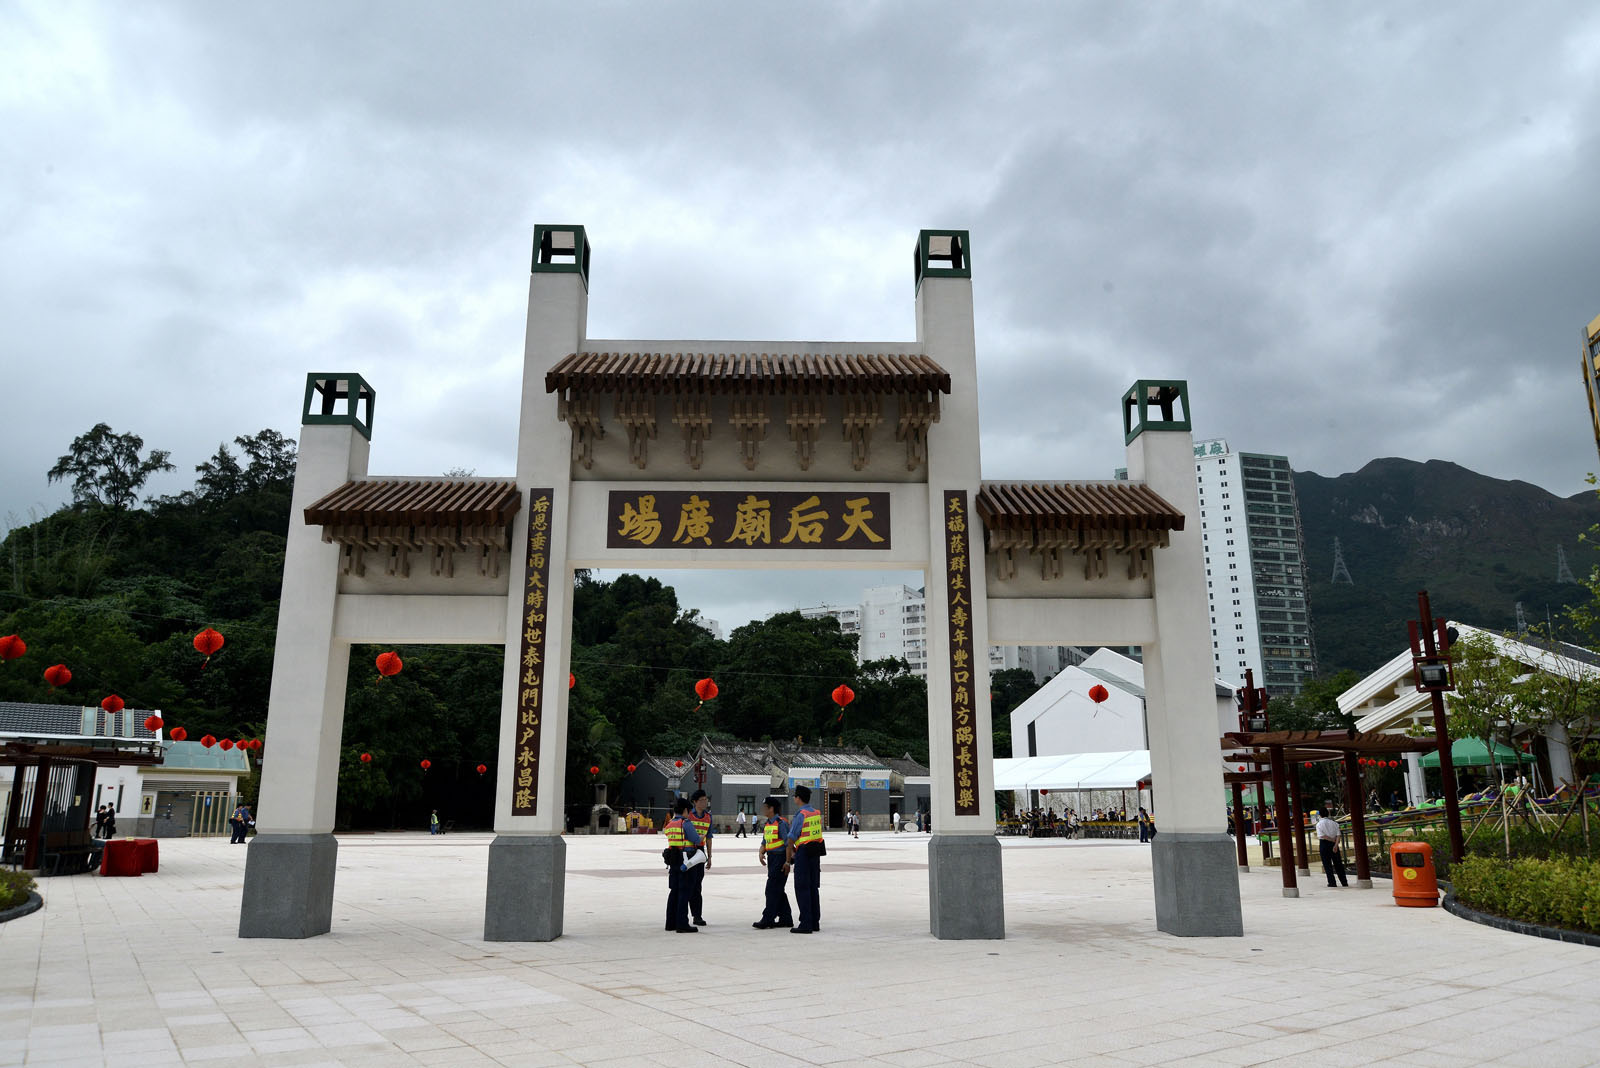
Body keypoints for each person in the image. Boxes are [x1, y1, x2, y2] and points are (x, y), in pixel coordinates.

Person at [783, 784, 823, 933]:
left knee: (802, 887)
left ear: (798, 798)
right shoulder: (816, 813)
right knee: (813, 887)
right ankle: (814, 922)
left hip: (804, 854)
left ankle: (805, 923)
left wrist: (788, 859)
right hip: (815, 854)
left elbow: (791, 838)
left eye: (794, 796)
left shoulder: (801, 815)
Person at [753, 796, 794, 929]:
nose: (763, 809)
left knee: (771, 889)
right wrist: (760, 853)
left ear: (771, 808)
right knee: (777, 889)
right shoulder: (768, 824)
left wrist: (787, 862)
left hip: (781, 858)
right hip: (772, 858)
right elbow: (764, 842)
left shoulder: (781, 823)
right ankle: (786, 918)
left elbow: (788, 844)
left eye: (765, 807)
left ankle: (768, 918)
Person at [663, 799, 696, 933]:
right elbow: (696, 839)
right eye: (689, 811)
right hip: (685, 859)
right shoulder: (685, 823)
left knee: (674, 891)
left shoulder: (670, 823)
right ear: (685, 811)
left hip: (673, 858)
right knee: (684, 891)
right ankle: (682, 923)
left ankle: (670, 923)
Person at [685, 789, 713, 926]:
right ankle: (686, 914)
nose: (705, 802)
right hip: (688, 851)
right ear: (695, 802)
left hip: (700, 852)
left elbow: (709, 838)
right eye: (702, 800)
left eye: (706, 799)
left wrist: (710, 856)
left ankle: (697, 916)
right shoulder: (688, 815)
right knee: (689, 884)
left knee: (697, 884)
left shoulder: (708, 816)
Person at [1315, 804, 1349, 888]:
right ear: (1328, 814)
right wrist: (1336, 844)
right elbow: (1338, 835)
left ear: (1320, 815)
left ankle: (1332, 882)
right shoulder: (1334, 823)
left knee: (1327, 865)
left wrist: (1332, 840)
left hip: (1324, 844)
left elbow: (1322, 836)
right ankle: (1344, 882)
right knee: (1338, 864)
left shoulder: (1319, 824)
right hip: (1334, 844)